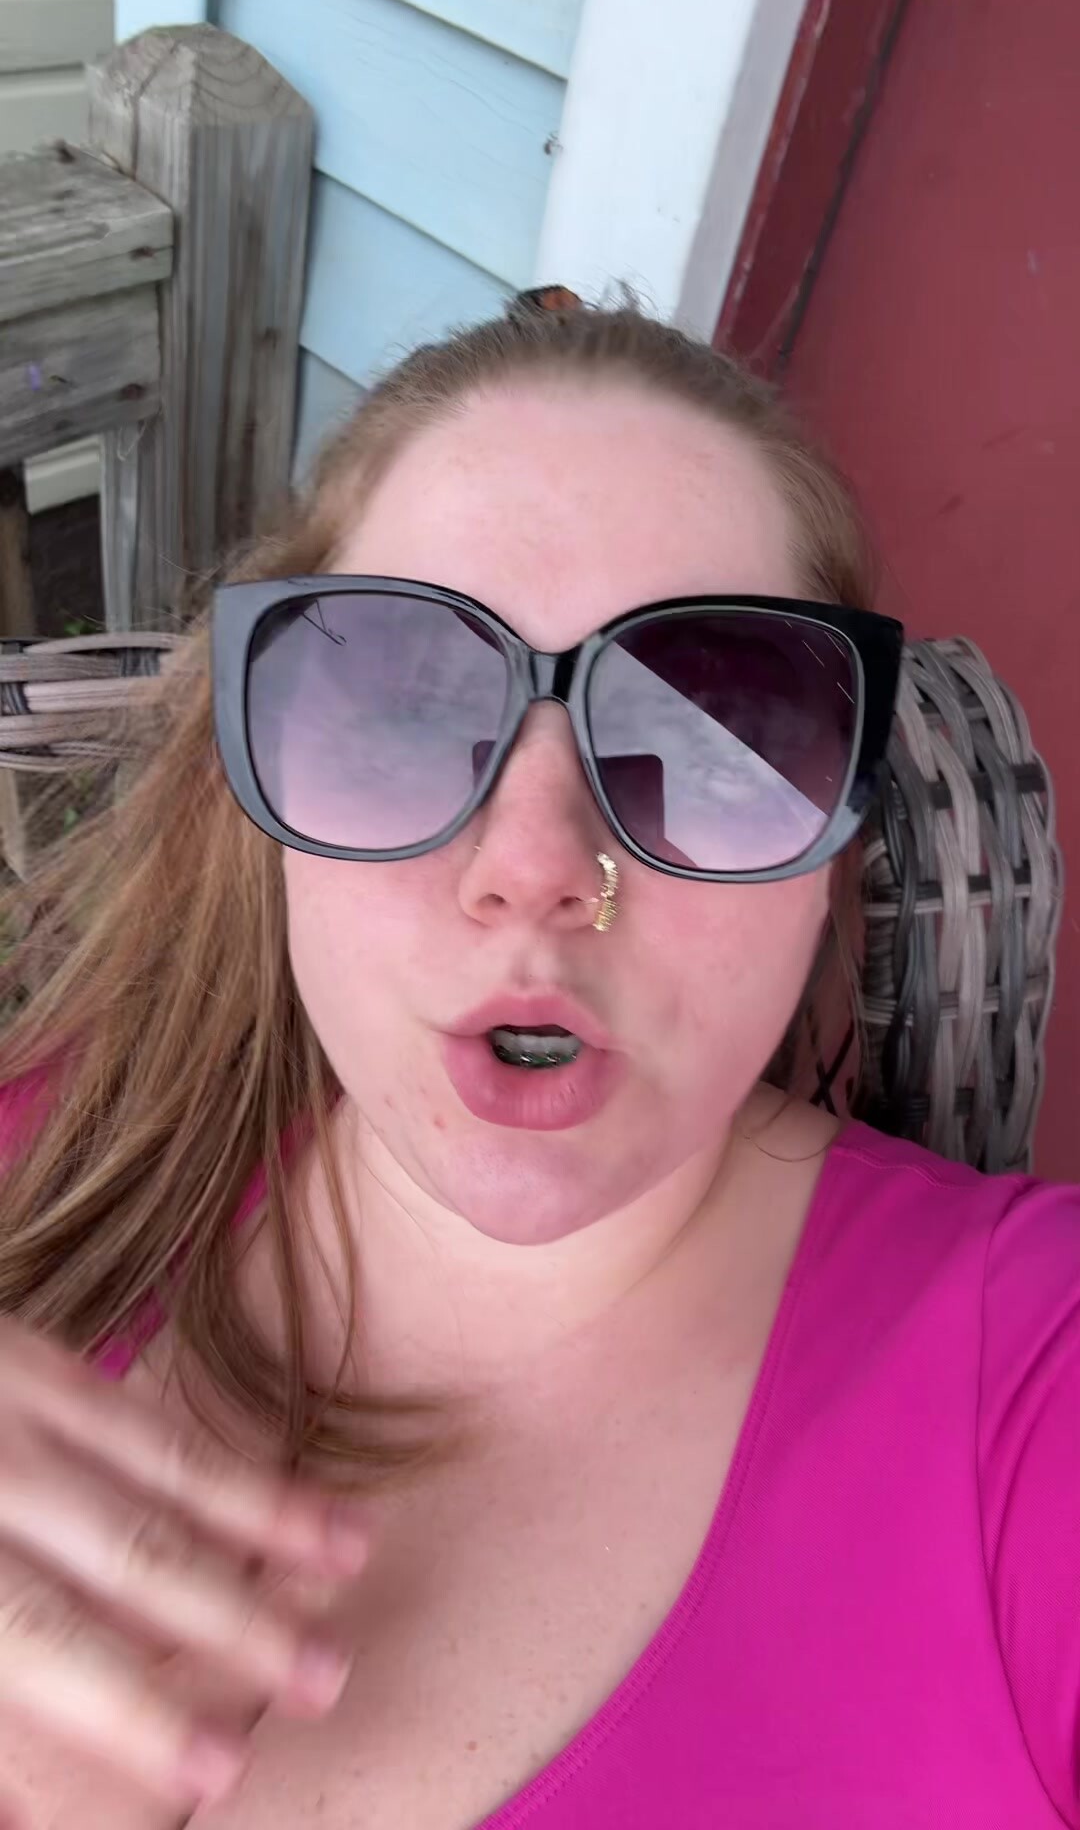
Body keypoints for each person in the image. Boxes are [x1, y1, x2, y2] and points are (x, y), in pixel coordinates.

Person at [0, 294, 1074, 1830]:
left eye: (707, 734)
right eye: (407, 705)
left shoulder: (1028, 1385)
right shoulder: (55, 1148)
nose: (535, 868)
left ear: (831, 849)